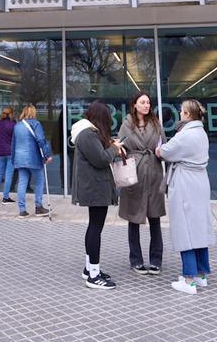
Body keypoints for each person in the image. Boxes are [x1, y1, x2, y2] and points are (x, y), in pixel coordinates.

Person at [156, 99, 215, 295]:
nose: (180, 114)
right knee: (198, 229)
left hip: (185, 184)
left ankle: (189, 279)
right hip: (200, 183)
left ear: (188, 115)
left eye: (182, 111)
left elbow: (164, 151)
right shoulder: (201, 133)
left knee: (186, 230)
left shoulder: (185, 135)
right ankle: (200, 274)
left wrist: (159, 149)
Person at [70, 100, 125, 290]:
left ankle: (89, 268)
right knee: (95, 229)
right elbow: (101, 159)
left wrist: (110, 146)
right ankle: (93, 275)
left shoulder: (88, 133)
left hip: (94, 186)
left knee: (94, 227)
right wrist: (114, 148)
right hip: (94, 188)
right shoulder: (87, 134)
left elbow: (100, 154)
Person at [117, 91, 166, 274]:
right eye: (142, 102)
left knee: (155, 219)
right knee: (134, 219)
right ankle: (136, 259)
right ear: (135, 105)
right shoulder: (127, 124)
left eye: (148, 102)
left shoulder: (156, 123)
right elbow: (120, 146)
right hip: (134, 174)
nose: (146, 105)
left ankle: (156, 260)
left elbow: (164, 145)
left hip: (153, 173)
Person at [12, 104, 53, 217]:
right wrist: (47, 155)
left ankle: (22, 210)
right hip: (33, 157)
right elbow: (41, 140)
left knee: (22, 183)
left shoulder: (17, 126)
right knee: (39, 181)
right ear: (33, 112)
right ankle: (38, 207)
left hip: (19, 158)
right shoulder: (36, 124)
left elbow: (13, 143)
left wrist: (13, 159)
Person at [0, 106, 16, 203]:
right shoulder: (12, 124)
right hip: (10, 152)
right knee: (8, 174)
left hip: (0, 152)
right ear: (10, 114)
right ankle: (5, 197)